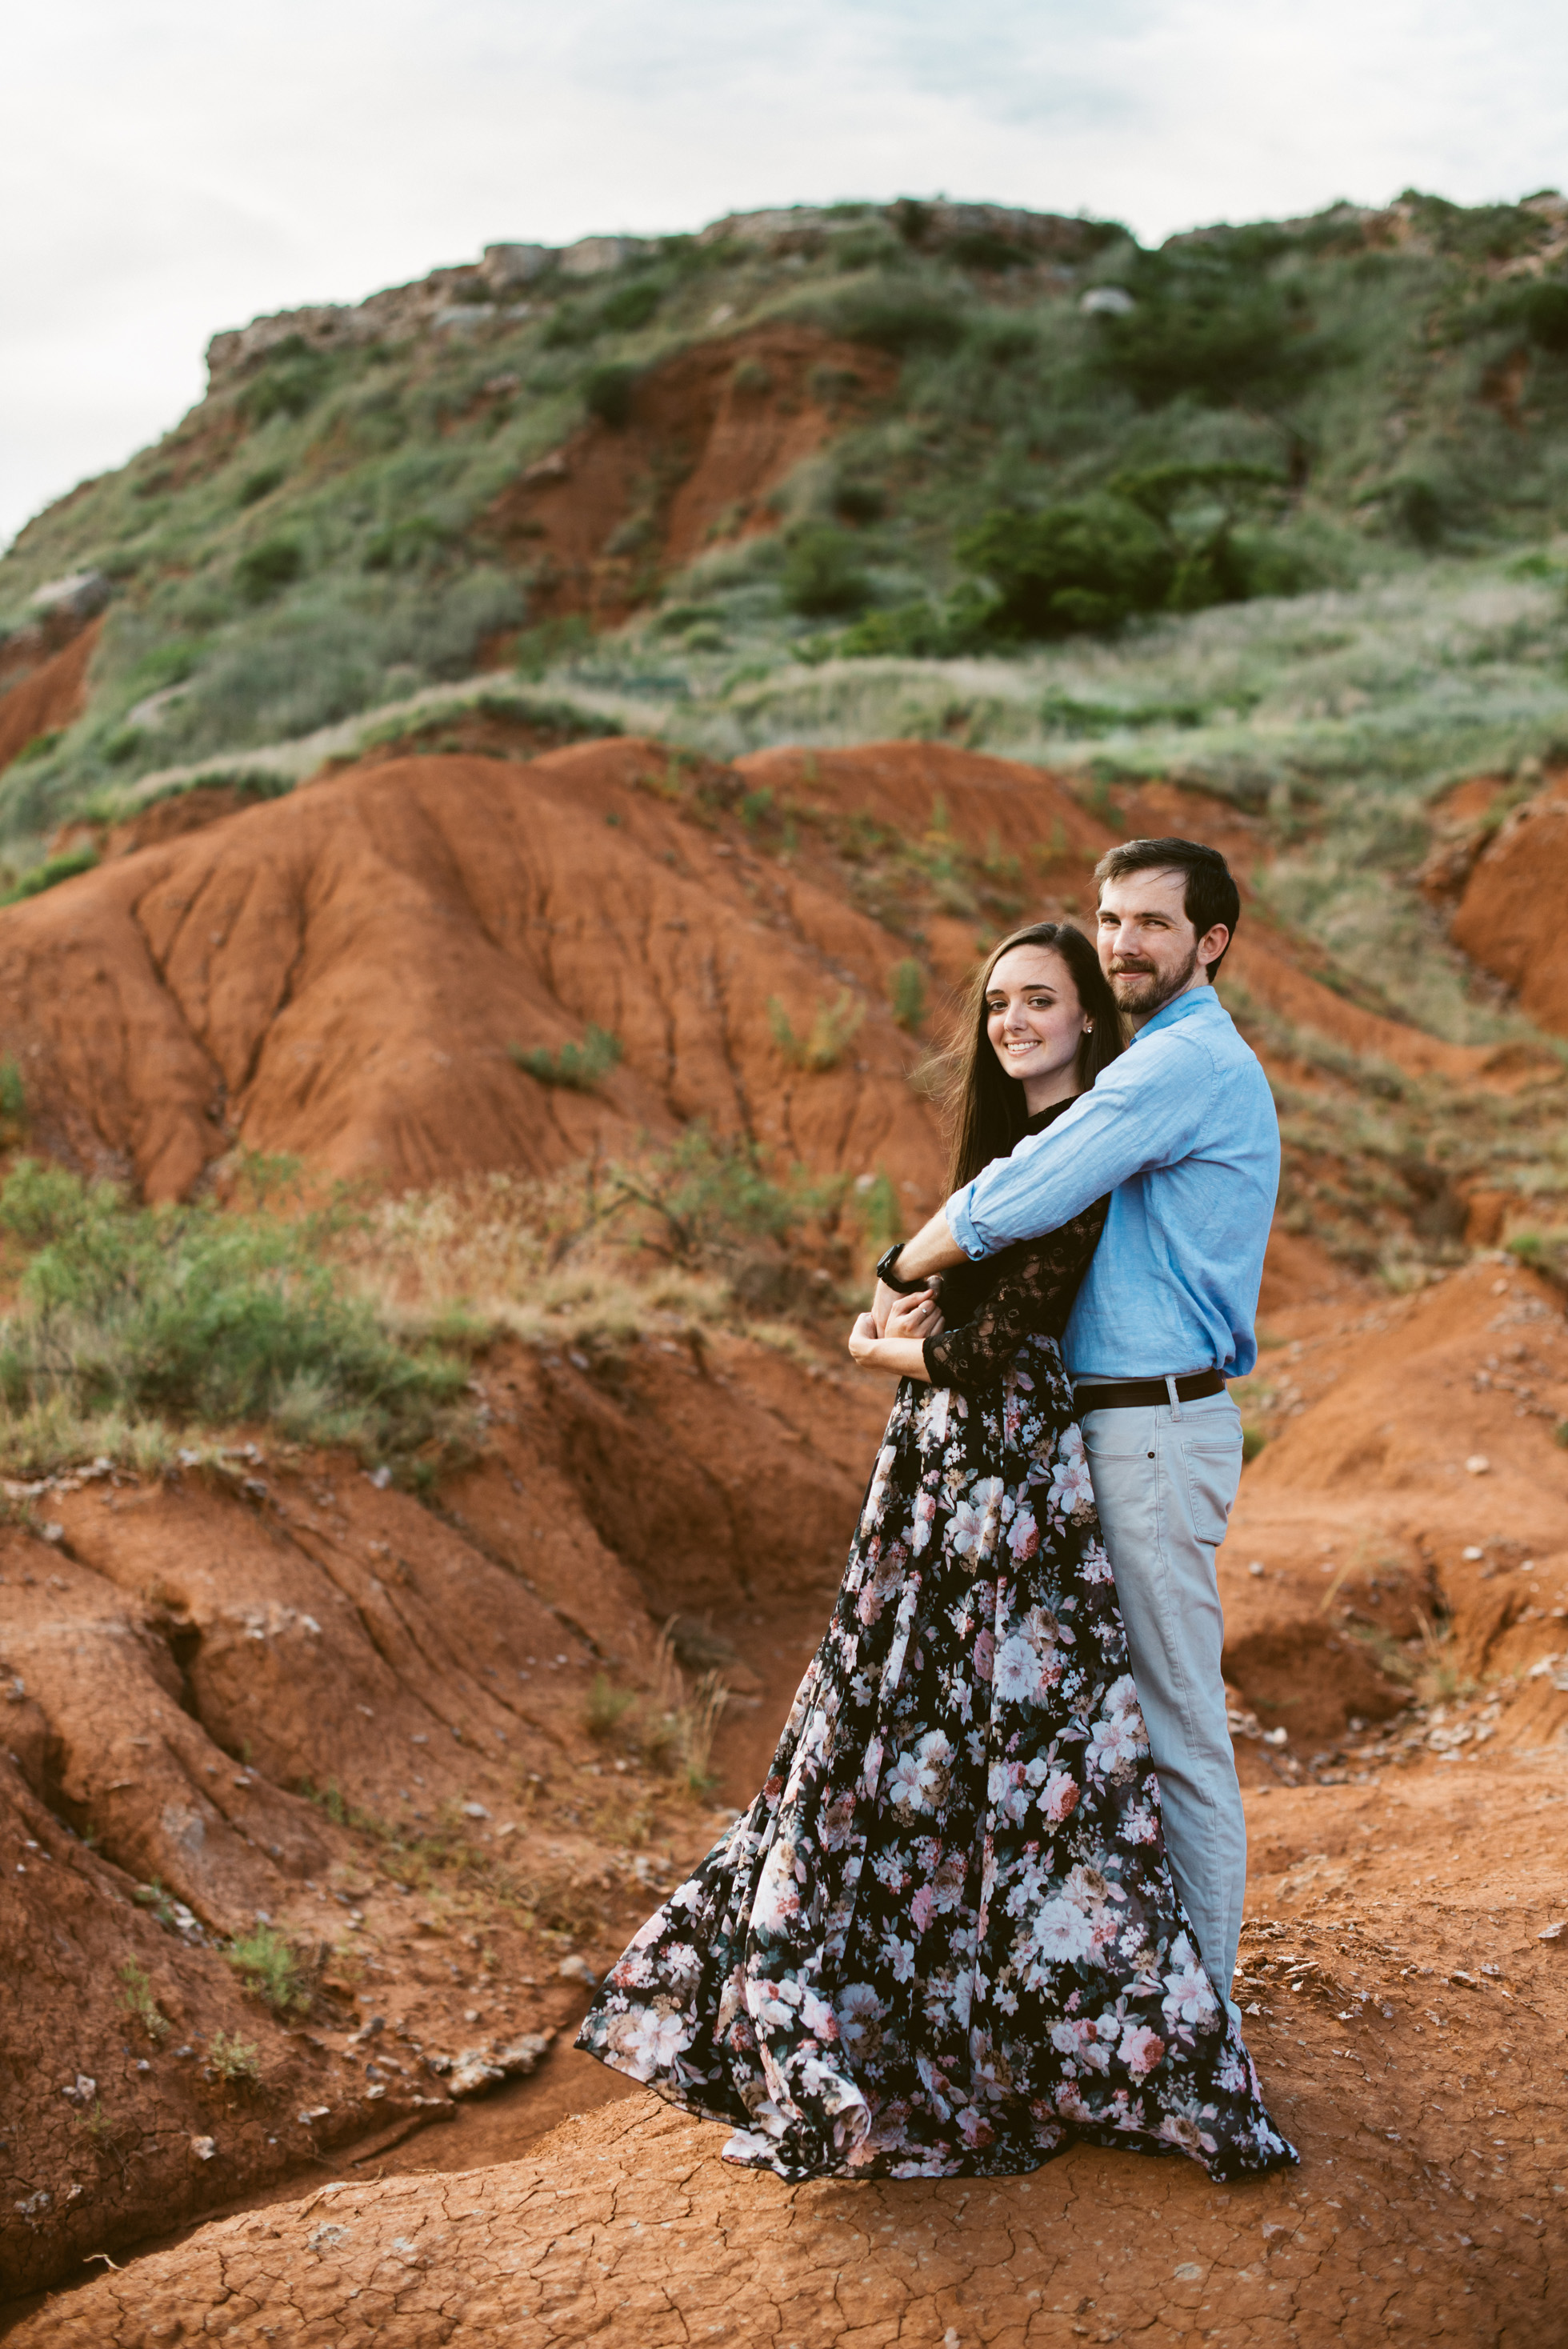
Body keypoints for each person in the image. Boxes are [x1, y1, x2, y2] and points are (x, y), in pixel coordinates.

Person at [575, 916, 1295, 2185]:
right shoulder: (1018, 1149)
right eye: (999, 1002)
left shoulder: (1077, 1151)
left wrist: (878, 1340)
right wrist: (910, 1307)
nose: (1015, 1020)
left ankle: (1166, 2027)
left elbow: (998, 1353)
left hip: (1004, 1484)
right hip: (952, 1485)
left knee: (1030, 1749)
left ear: (1090, 1017)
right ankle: (936, 2020)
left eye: (1041, 1000)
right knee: (924, 1749)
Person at [868, 838, 1278, 2020]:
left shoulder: (1179, 1066)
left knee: (1174, 1728)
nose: (1123, 945)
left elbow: (1028, 1190)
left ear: (1211, 943)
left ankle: (1207, 2025)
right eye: (1110, 921)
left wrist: (904, 1260)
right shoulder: (1160, 1062)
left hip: (1148, 1433)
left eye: (1152, 923)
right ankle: (1113, 2006)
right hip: (1105, 1435)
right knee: (1098, 1731)